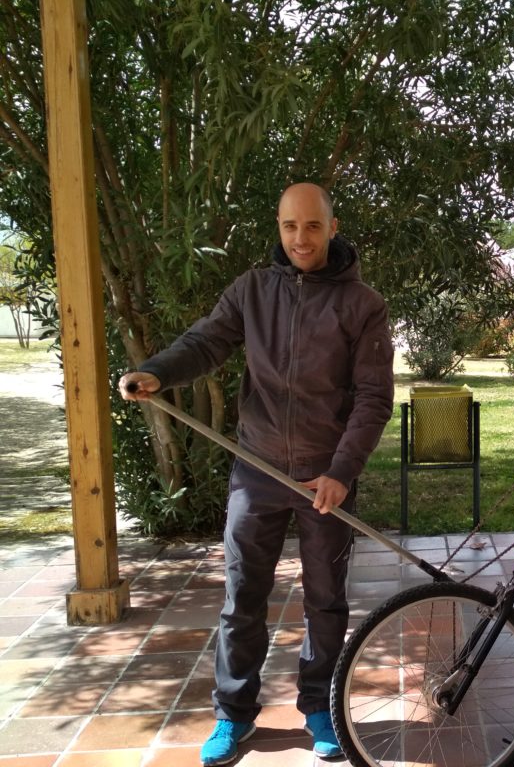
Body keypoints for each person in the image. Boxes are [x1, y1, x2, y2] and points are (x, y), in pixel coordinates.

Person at [119, 183, 395, 766]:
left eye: (313, 226)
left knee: (325, 599)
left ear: (332, 226)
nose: (301, 238)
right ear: (279, 226)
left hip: (325, 479)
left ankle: (319, 707)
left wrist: (342, 472)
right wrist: (156, 373)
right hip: (258, 468)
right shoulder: (250, 290)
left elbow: (373, 399)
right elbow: (205, 342)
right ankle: (233, 713)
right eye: (291, 226)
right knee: (242, 594)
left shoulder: (362, 305)